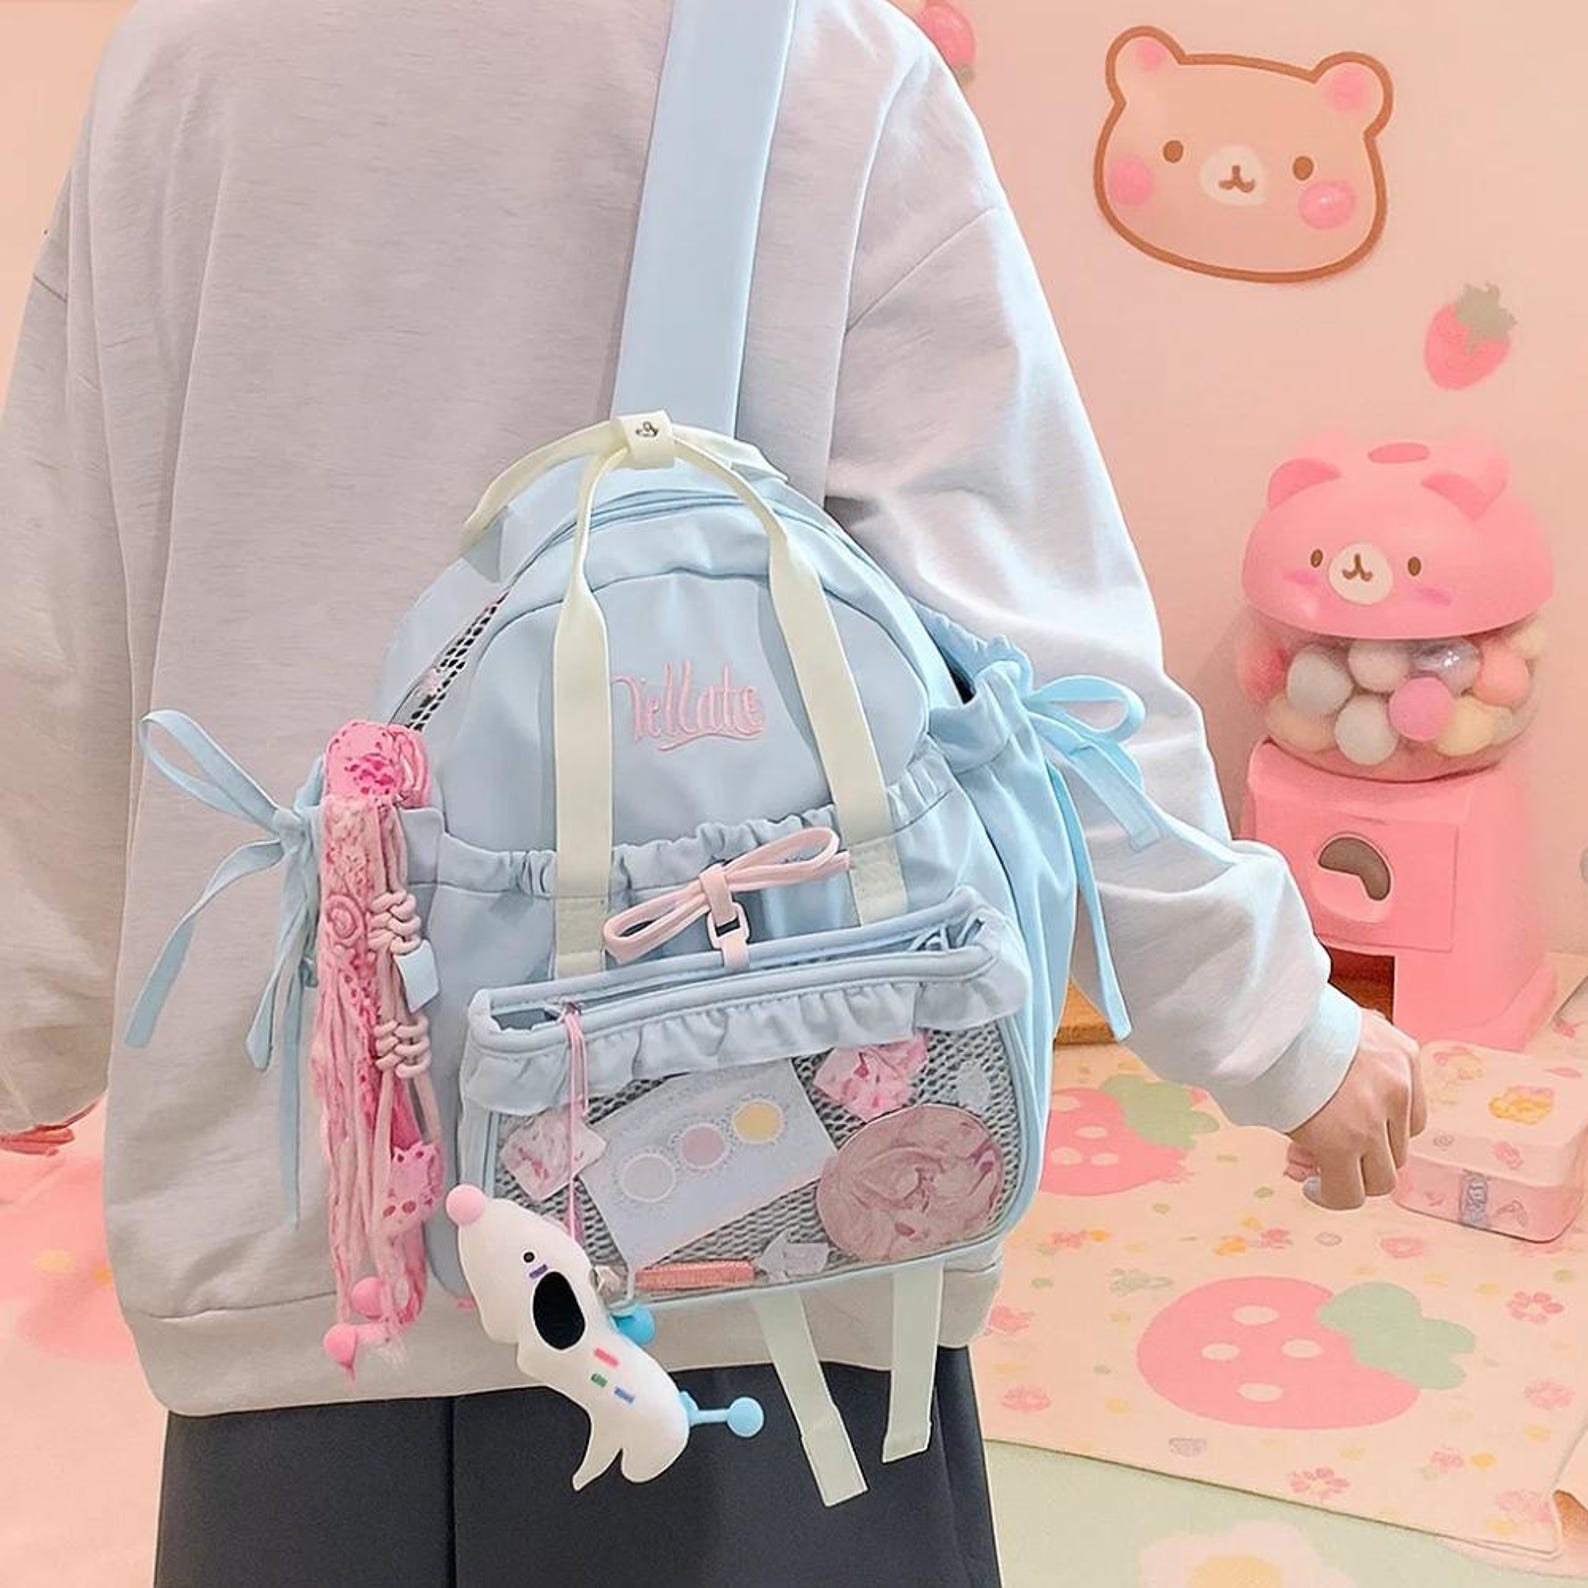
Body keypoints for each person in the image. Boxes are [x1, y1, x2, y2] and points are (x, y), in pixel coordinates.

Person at [0, 1, 1424, 1584]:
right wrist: (1272, 1024)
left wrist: (31, 1011)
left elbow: (59, 615)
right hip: (751, 1186)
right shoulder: (818, 58)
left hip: (301, 1223)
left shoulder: (187, 55)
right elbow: (1038, 679)